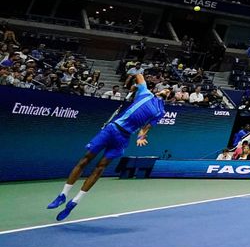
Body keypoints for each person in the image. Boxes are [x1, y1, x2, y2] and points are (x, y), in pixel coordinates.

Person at [47, 69, 170, 221]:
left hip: (123, 138)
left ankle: (75, 201)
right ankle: (63, 195)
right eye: (165, 88)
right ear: (158, 91)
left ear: (166, 97)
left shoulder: (160, 111)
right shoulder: (146, 93)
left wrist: (141, 136)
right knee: (85, 159)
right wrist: (133, 85)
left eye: (168, 91)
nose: (167, 90)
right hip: (111, 129)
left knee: (100, 168)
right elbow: (137, 74)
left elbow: (146, 128)